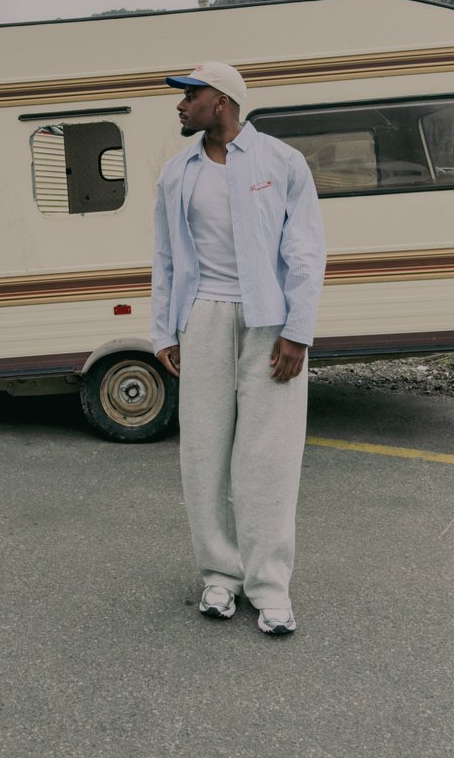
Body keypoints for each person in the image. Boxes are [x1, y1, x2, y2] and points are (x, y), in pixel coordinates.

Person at [151, 61, 326, 635]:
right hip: (202, 319)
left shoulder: (281, 162)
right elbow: (166, 260)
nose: (179, 105)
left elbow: (305, 250)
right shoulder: (177, 173)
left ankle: (270, 587)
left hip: (269, 325)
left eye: (188, 95)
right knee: (203, 452)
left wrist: (298, 330)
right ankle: (219, 577)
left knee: (268, 456)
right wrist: (164, 331)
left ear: (221, 101)